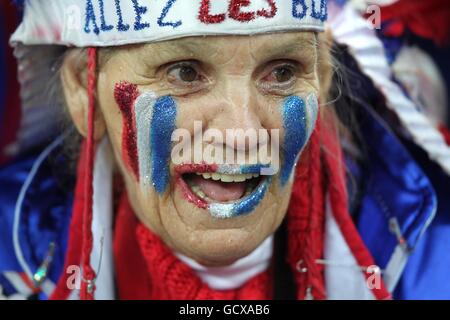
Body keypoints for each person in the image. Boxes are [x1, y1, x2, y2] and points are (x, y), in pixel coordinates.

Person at [0, 0, 449, 300]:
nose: (241, 133)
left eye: (282, 72)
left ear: (324, 78)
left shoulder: (435, 263)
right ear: (84, 90)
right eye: (184, 72)